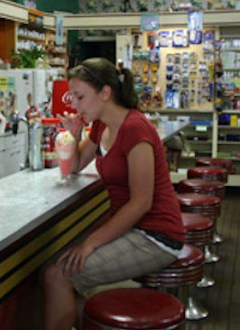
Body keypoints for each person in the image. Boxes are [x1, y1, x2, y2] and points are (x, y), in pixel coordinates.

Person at [42, 57, 185, 330]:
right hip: (130, 228)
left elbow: (141, 203)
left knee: (57, 275)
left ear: (105, 93)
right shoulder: (99, 124)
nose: (75, 104)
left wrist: (91, 243)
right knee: (59, 270)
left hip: (156, 235)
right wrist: (74, 134)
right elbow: (74, 167)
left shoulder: (135, 128)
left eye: (80, 96)